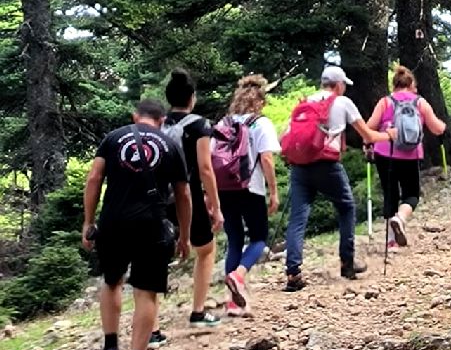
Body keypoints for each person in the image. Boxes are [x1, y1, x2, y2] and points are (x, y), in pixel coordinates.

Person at [82, 98, 191, 350]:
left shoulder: (113, 138)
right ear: (162, 120)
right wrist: (185, 235)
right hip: (152, 225)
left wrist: (88, 221)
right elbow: (183, 194)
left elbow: (94, 178)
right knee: (146, 291)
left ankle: (109, 349)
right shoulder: (170, 145)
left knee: (112, 280)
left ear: (135, 117)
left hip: (113, 221)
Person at [282, 64, 395, 291]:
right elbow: (368, 135)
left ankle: (293, 273)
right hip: (327, 164)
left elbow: (286, 135)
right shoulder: (342, 102)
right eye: (344, 85)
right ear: (338, 84)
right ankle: (347, 262)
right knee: (346, 207)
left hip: (300, 167)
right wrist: (389, 135)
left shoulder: (305, 102)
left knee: (297, 218)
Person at [156, 68, 223, 336]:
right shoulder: (200, 125)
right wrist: (215, 206)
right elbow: (205, 168)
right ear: (192, 98)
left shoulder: (158, 124)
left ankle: (152, 327)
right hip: (190, 194)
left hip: (160, 196)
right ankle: (197, 311)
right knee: (206, 250)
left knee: (158, 256)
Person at [217, 74, 280, 316]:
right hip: (250, 188)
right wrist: (273, 191)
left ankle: (233, 303)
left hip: (225, 188)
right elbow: (266, 158)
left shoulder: (224, 123)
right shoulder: (260, 123)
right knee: (259, 239)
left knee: (234, 241)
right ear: (261, 101)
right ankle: (238, 275)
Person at [366, 65, 446, 248]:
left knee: (390, 193)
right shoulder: (420, 102)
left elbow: (369, 127)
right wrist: (441, 125)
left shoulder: (385, 102)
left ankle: (390, 242)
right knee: (411, 194)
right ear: (410, 84)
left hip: (384, 151)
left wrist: (368, 144)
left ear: (394, 85)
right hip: (410, 154)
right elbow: (437, 128)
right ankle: (400, 218)